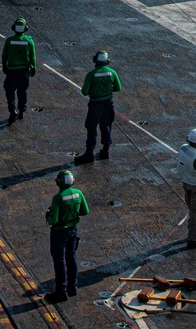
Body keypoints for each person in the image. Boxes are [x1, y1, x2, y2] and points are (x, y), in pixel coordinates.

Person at [45, 167, 89, 302]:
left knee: (60, 261)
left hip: (59, 233)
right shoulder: (78, 193)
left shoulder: (58, 198)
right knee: (72, 257)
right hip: (73, 230)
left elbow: (54, 220)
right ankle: (72, 287)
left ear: (59, 182)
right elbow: (84, 211)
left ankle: (61, 291)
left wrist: (48, 215)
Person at [74, 50, 121, 163]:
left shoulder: (91, 75)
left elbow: (84, 92)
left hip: (95, 105)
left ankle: (89, 153)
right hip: (108, 103)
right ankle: (106, 150)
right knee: (106, 126)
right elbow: (117, 88)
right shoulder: (112, 72)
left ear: (95, 60)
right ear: (107, 60)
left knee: (91, 127)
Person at [2, 17, 37, 123]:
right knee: (22, 91)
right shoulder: (29, 40)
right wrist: (33, 67)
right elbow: (32, 56)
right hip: (24, 71)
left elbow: (4, 55)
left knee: (10, 91)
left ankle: (12, 109)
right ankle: (21, 111)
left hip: (12, 70)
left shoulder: (9, 41)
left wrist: (4, 66)